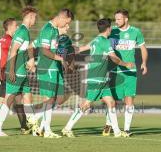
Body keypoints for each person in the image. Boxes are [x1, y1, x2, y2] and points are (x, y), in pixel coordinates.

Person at [62, 18, 134, 138]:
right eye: (110, 27)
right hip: (96, 78)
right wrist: (126, 64)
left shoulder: (96, 40)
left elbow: (81, 48)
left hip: (102, 80)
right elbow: (114, 57)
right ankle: (67, 128)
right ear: (108, 28)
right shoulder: (105, 42)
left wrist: (70, 48)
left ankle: (116, 132)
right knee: (86, 105)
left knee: (111, 103)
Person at [0, 6, 37, 136]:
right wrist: (11, 69)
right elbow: (13, 50)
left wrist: (31, 60)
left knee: (28, 98)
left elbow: (27, 47)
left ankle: (34, 128)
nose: (36, 20)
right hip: (16, 72)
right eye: (35, 18)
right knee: (8, 100)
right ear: (30, 17)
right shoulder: (22, 31)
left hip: (22, 72)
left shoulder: (25, 31)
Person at [102, 9, 148, 137]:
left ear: (126, 19)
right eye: (115, 19)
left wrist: (144, 63)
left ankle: (126, 129)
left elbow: (143, 48)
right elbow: (101, 43)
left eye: (119, 19)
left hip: (130, 71)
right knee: (113, 100)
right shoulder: (112, 32)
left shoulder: (135, 32)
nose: (116, 22)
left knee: (129, 99)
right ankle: (108, 123)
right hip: (115, 71)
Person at [35, 8, 74, 138]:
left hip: (54, 67)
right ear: (61, 18)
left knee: (59, 97)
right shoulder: (47, 29)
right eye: (66, 23)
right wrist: (60, 58)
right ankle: (46, 130)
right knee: (49, 99)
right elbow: (45, 51)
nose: (67, 26)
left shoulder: (55, 31)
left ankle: (38, 125)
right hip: (48, 68)